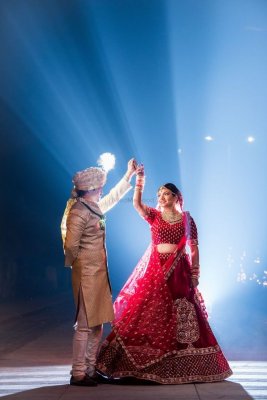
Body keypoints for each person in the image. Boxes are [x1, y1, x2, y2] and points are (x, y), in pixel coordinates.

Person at [96, 164, 232, 384]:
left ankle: (186, 363)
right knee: (146, 311)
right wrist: (140, 180)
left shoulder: (187, 219)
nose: (161, 197)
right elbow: (137, 204)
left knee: (182, 312)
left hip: (179, 271)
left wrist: (195, 274)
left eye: (166, 193)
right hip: (156, 271)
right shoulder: (155, 216)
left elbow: (194, 248)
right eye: (159, 194)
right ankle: (127, 364)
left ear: (177, 196)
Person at [61, 157, 136, 386]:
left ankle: (91, 369)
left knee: (97, 323)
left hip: (99, 274)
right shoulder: (78, 212)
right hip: (86, 274)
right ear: (92, 189)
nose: (104, 188)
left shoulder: (92, 207)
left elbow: (113, 197)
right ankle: (78, 373)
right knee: (84, 324)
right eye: (101, 185)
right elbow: (71, 246)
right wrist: (78, 266)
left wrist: (128, 176)